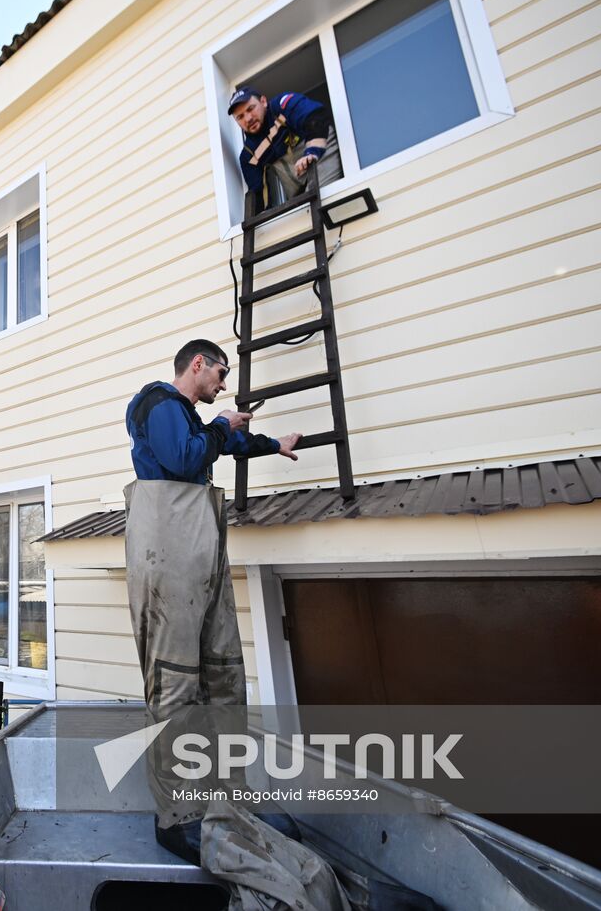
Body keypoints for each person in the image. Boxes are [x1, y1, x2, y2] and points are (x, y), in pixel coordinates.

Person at [124, 341, 350, 910]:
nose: (225, 384)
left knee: (222, 675)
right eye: (221, 373)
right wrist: (222, 426)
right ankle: (179, 816)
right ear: (196, 365)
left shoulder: (194, 420)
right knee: (176, 685)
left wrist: (275, 443)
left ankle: (227, 801)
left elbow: (221, 440)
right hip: (165, 555)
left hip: (201, 552)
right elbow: (183, 458)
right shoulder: (157, 404)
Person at [228, 85, 339, 211]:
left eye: (250, 109)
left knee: (318, 207)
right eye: (240, 117)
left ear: (263, 102)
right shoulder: (248, 155)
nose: (248, 119)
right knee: (305, 213)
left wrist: (311, 152)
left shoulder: (282, 105)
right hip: (298, 190)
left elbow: (316, 117)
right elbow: (258, 195)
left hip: (320, 158)